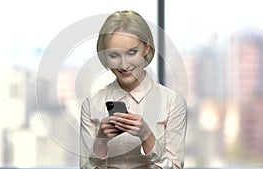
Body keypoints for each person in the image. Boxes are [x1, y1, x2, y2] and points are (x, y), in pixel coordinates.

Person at [80, 10, 187, 169]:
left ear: (146, 48)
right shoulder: (91, 104)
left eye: (132, 52)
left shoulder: (172, 102)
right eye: (114, 55)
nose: (124, 65)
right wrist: (100, 142)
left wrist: (147, 136)